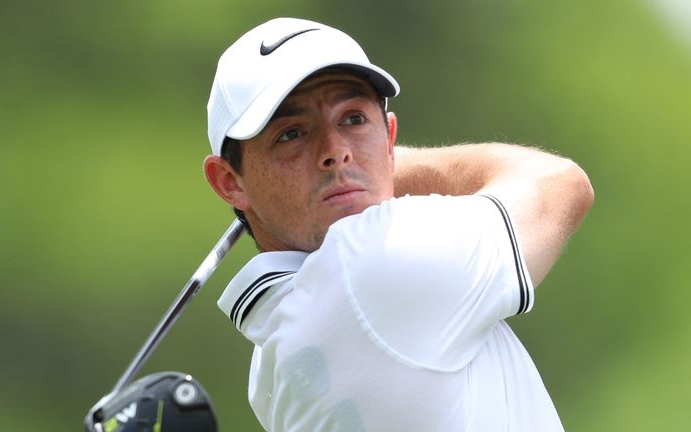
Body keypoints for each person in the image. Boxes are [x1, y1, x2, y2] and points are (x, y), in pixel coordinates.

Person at [202, 17, 594, 432]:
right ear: (229, 182)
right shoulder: (376, 262)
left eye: (353, 120)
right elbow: (560, 184)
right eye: (292, 134)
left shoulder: (268, 368)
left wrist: (359, 171)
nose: (335, 152)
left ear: (387, 135)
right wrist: (380, 164)